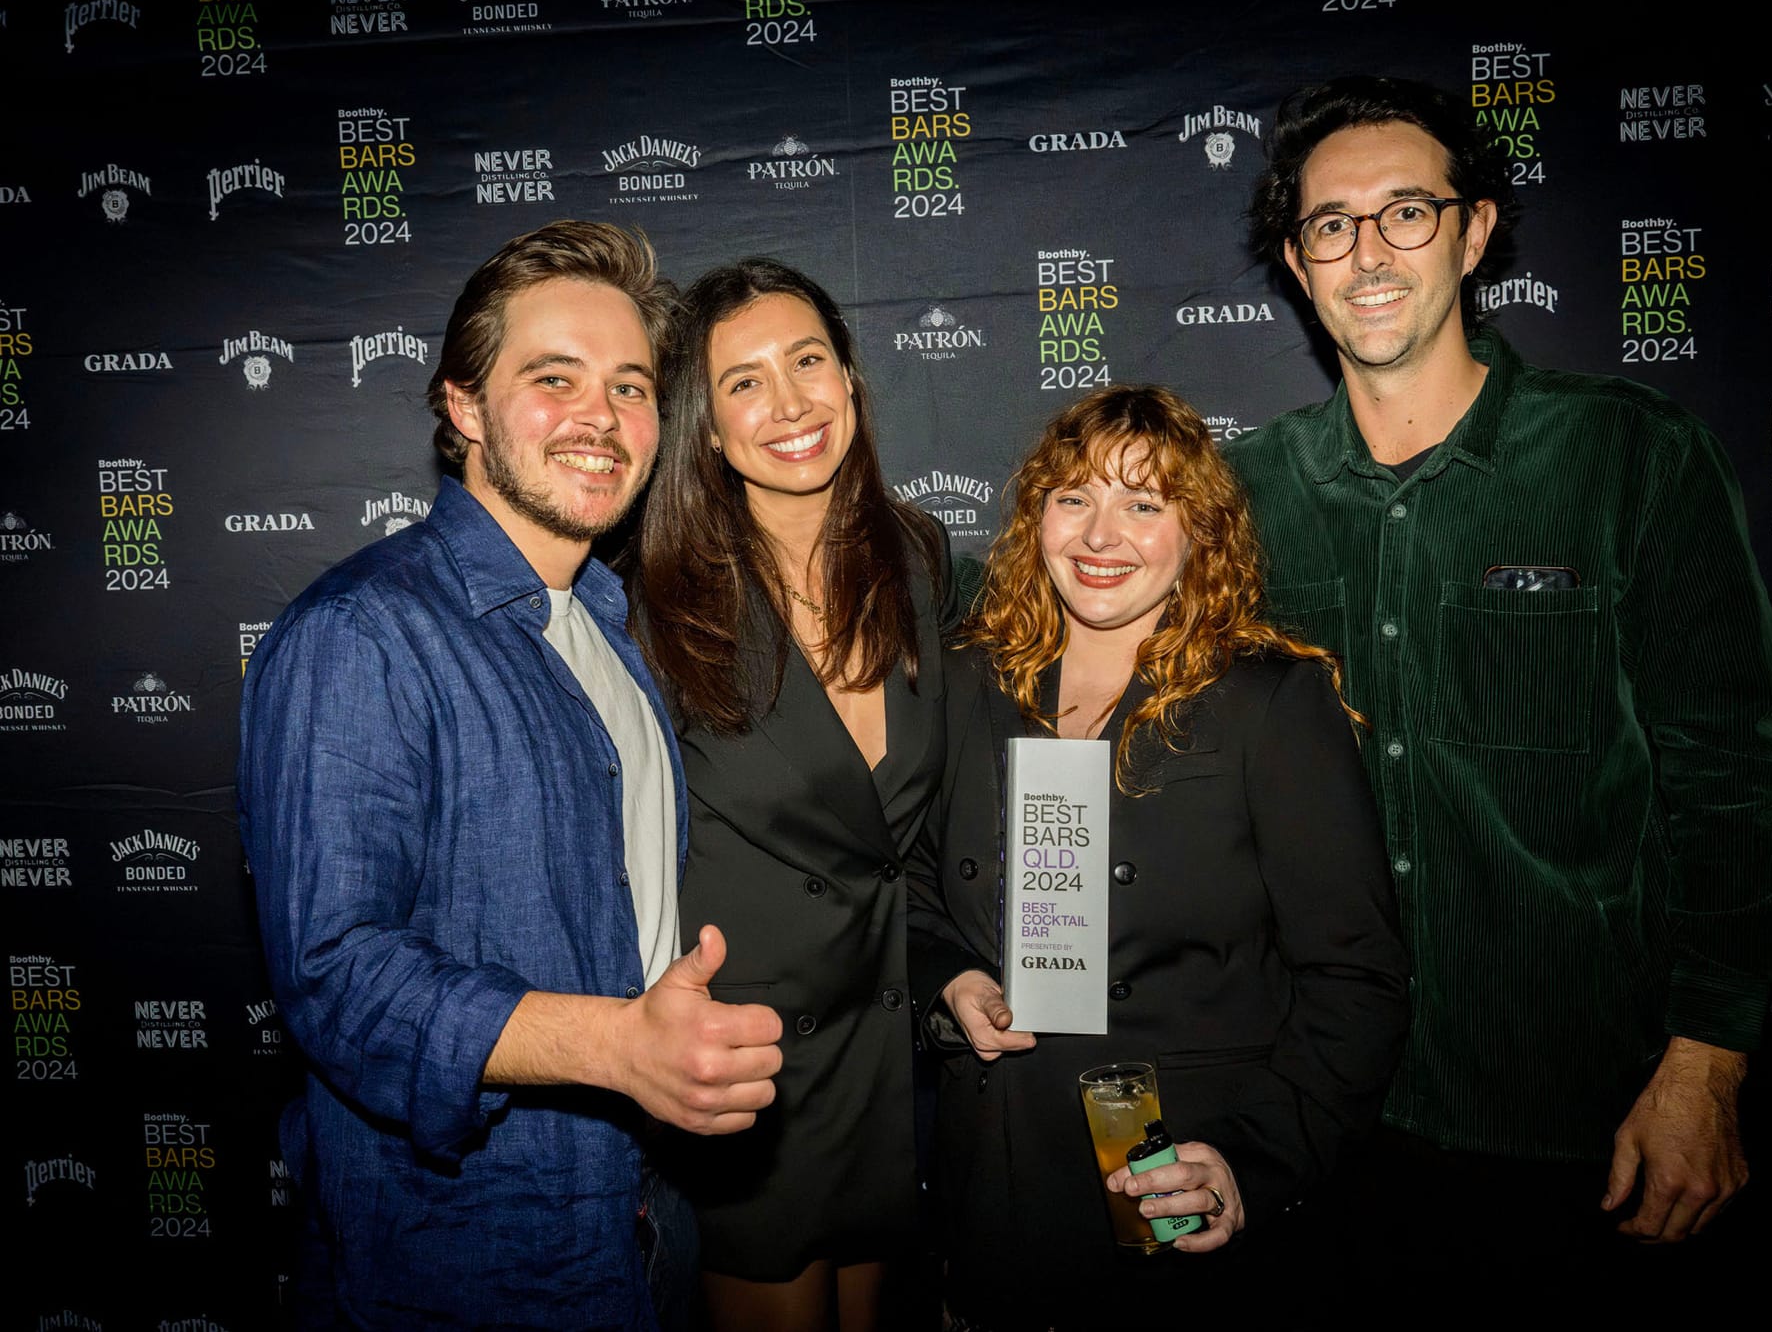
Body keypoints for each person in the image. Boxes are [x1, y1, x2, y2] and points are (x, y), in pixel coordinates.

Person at [1232, 76, 1772, 1291]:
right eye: (1329, 224)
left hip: (1582, 1119)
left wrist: (1706, 1062)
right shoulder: (1238, 499)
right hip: (1316, 1121)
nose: (1366, 253)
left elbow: (1732, 775)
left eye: (1406, 212)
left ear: (1473, 231)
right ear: (1295, 263)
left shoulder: (1630, 456)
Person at [239, 221, 785, 1329]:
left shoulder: (612, 635)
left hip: (642, 1225)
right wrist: (615, 1047)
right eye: (553, 378)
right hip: (463, 1257)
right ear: (465, 407)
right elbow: (336, 973)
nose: (601, 416)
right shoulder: (362, 632)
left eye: (630, 387)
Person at [909, 385, 1409, 1330]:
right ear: (1037, 518)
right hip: (996, 1188)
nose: (1101, 535)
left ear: (1198, 535)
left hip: (1178, 1177)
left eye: (1143, 503)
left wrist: (1254, 1161)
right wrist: (949, 986)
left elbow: (1356, 977)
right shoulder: (969, 680)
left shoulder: (1270, 702)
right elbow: (913, 900)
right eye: (1074, 498)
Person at [628, 258, 956, 1332]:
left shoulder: (917, 557)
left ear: (850, 380)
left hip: (883, 1041)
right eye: (745, 382)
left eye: (808, 361)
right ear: (707, 430)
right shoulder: (654, 604)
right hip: (747, 1062)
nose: (790, 403)